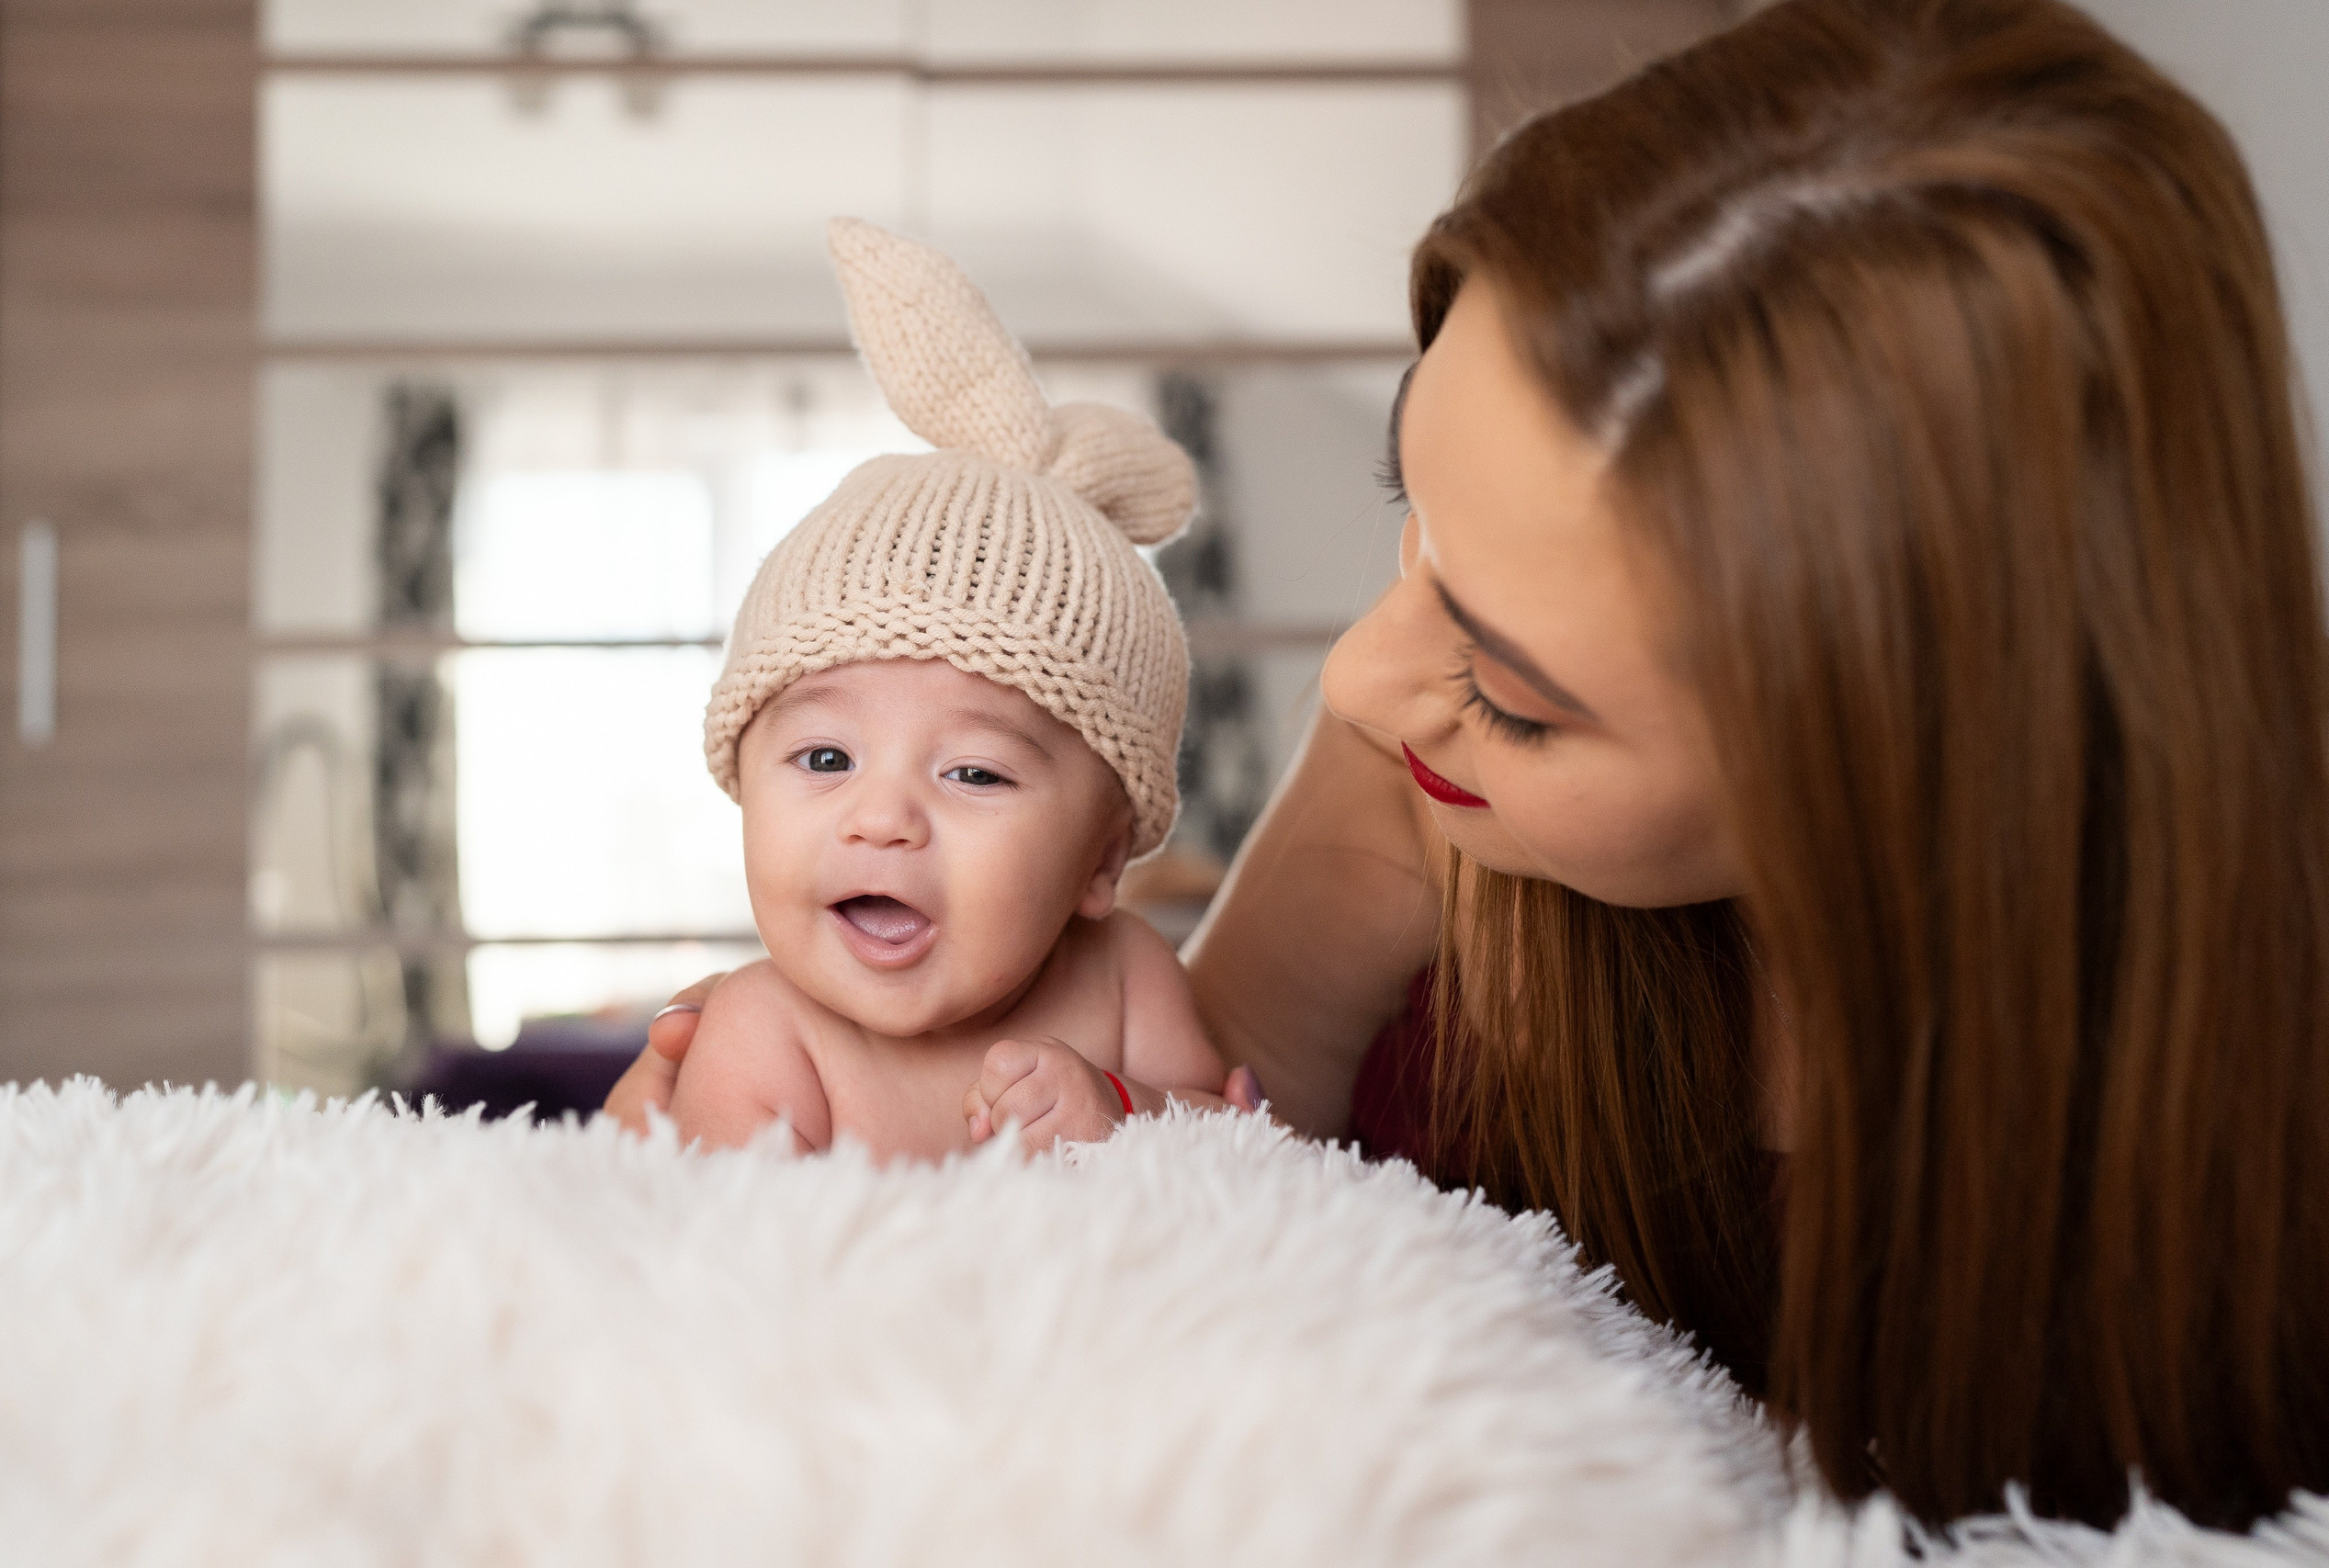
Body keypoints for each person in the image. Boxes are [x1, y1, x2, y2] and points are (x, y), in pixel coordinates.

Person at [611, 0, 2327, 1533]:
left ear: (1898, 764)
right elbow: (1194, 1181)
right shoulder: (1406, 770)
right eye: (1412, 521)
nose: (1364, 680)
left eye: (1514, 690)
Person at [645, 218, 1246, 1160]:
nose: (882, 820)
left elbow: (1244, 1155)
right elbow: (730, 1236)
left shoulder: (1127, 977)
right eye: (826, 758)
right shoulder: (763, 1029)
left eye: (974, 773)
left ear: (1100, 860)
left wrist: (1124, 1109)